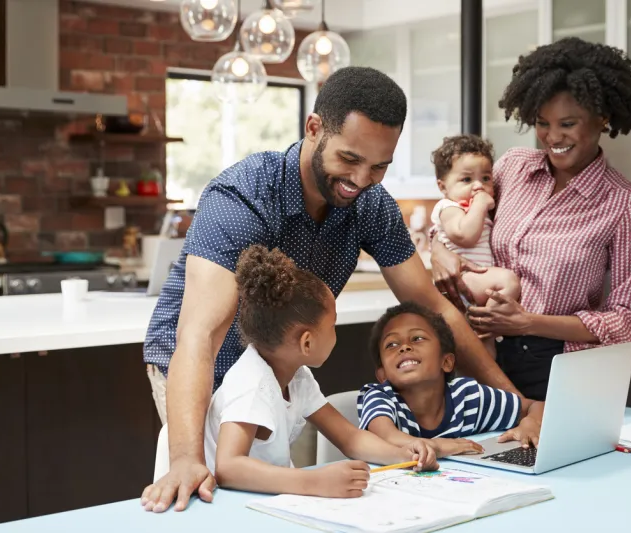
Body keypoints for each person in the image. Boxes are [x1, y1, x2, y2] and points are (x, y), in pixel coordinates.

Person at [141, 66, 519, 514]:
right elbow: (200, 336)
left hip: (278, 369)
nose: (362, 179)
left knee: (274, 494)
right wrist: (185, 459)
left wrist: (518, 404)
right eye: (350, 159)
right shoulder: (244, 196)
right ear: (314, 128)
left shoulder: (371, 206)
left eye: (379, 166)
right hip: (200, 365)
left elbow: (433, 306)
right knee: (207, 491)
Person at [432, 37, 631, 401]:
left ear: (603, 118)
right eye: (542, 122)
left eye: (567, 123)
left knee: (541, 456)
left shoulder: (626, 204)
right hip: (478, 346)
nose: (552, 137)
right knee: (476, 454)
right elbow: (458, 213)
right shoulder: (512, 166)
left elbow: (628, 318)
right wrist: (436, 249)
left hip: (551, 362)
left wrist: (527, 322)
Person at [193, 245, 437, 502]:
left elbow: (350, 438)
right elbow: (229, 468)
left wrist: (405, 455)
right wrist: (315, 481)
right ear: (306, 343)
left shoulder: (297, 377)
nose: (335, 333)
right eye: (332, 325)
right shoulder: (251, 383)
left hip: (264, 501)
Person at [358, 302, 544, 456]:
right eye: (392, 344)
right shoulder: (379, 397)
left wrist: (530, 422)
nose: (404, 347)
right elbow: (386, 436)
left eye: (417, 338)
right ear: (382, 375)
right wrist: (436, 446)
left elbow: (536, 406)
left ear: (446, 362)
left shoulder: (469, 397)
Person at [428, 134, 521, 357]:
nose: (478, 186)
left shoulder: (475, 209)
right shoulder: (448, 207)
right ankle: (485, 321)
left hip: (476, 281)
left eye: (486, 178)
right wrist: (480, 204)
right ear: (443, 186)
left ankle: (483, 383)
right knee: (509, 280)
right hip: (462, 278)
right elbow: (464, 236)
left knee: (485, 355)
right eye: (467, 180)